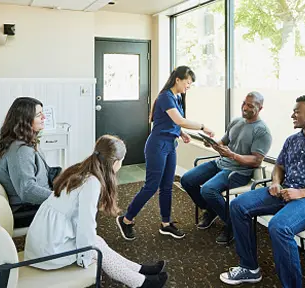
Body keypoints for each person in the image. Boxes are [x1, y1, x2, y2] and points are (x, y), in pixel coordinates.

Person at [219, 95, 305, 287]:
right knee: (238, 205)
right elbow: (279, 167)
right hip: (284, 192)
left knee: (279, 227)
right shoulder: (292, 140)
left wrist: (302, 193)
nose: (292, 115)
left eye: (297, 111)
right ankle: (249, 268)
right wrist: (275, 182)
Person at [24, 135, 168, 288]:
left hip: (44, 240)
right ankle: (141, 283)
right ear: (115, 162)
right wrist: (85, 258)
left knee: (98, 242)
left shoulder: (81, 169)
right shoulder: (92, 183)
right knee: (97, 247)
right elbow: (86, 225)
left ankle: (140, 270)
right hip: (49, 252)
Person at [116, 66, 215, 240]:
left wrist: (181, 133)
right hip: (157, 146)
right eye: (188, 82)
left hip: (170, 145)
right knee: (152, 186)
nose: (188, 86)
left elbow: (171, 122)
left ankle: (166, 223)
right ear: (178, 79)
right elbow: (179, 120)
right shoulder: (165, 97)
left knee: (167, 186)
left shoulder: (177, 97)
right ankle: (126, 219)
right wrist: (203, 126)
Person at [180, 91, 272, 245]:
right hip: (221, 163)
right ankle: (211, 209)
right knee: (187, 180)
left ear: (260, 108)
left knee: (208, 190)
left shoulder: (262, 131)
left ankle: (232, 224)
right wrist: (214, 144)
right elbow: (223, 143)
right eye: (244, 103)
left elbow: (256, 160)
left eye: (250, 105)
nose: (245, 107)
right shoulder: (236, 122)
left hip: (239, 171)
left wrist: (233, 156)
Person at [0, 97, 59, 228]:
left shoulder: (21, 142)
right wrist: (59, 198)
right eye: (39, 115)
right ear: (25, 120)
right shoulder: (20, 150)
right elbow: (28, 190)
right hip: (25, 209)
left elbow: (41, 171)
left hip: (31, 203)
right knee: (77, 207)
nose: (44, 117)